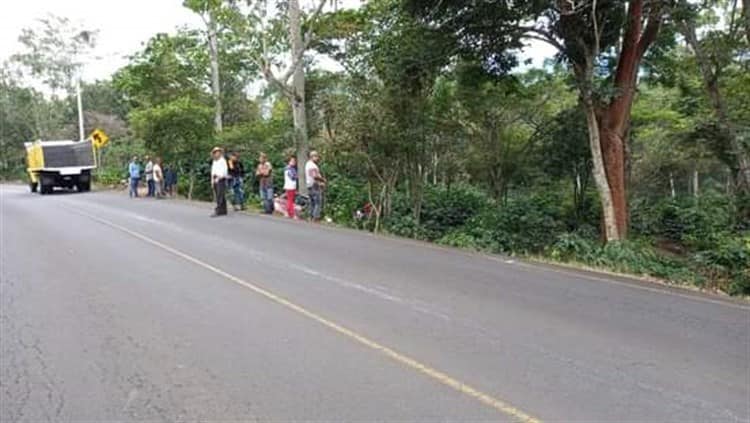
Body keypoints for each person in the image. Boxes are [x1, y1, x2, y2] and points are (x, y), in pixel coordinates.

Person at [305, 150, 326, 222]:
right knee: (317, 202)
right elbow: (315, 176)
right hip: (315, 185)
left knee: (311, 202)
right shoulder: (312, 165)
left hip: (309, 185)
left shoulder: (307, 164)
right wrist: (323, 180)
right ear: (312, 157)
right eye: (316, 156)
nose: (317, 158)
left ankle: (310, 216)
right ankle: (315, 217)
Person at [210, 147, 228, 217]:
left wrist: (220, 177)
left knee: (220, 195)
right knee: (218, 194)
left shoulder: (222, 160)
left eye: (218, 152)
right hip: (215, 178)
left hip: (220, 178)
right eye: (215, 152)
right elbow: (212, 171)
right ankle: (223, 210)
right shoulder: (214, 161)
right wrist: (212, 180)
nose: (217, 153)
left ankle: (218, 210)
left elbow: (224, 171)